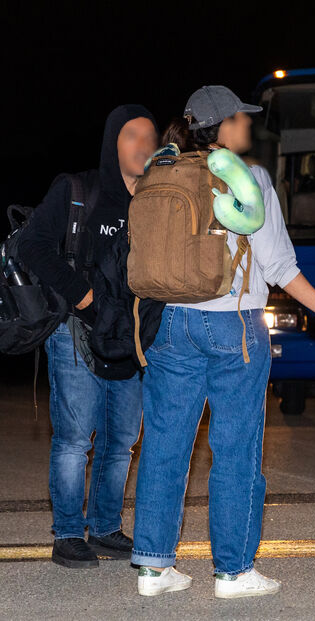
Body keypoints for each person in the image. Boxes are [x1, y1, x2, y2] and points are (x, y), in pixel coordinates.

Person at [130, 86, 315, 598]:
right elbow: (279, 265)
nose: (250, 127)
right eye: (242, 118)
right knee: (235, 449)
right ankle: (233, 571)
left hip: (168, 323)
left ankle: (153, 566)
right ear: (223, 126)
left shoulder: (161, 172)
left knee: (166, 446)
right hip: (233, 324)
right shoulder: (249, 177)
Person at [17, 105, 158, 568]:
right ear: (113, 142)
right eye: (131, 135)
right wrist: (84, 297)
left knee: (122, 441)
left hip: (131, 336)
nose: (143, 144)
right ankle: (67, 534)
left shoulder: (157, 202)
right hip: (78, 334)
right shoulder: (79, 190)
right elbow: (32, 245)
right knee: (76, 439)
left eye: (149, 136)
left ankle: (104, 526)